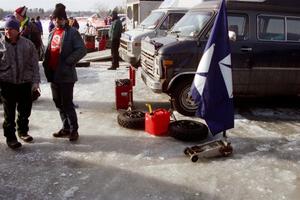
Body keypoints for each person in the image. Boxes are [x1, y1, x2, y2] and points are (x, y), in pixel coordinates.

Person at [43, 3, 86, 142]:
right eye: (55, 18)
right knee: (58, 103)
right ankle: (66, 128)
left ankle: (74, 130)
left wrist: (69, 61)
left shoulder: (72, 32)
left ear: (65, 19)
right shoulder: (52, 33)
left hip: (66, 75)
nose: (57, 21)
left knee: (67, 103)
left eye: (60, 18)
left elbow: (81, 50)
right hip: (54, 74)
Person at [0, 17, 40, 149]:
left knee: (24, 111)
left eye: (11, 29)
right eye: (6, 29)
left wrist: (35, 82)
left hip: (24, 83)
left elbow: (35, 65)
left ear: (17, 30)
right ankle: (10, 137)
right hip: (7, 83)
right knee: (9, 113)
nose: (7, 31)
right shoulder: (1, 45)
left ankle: (23, 131)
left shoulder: (28, 45)